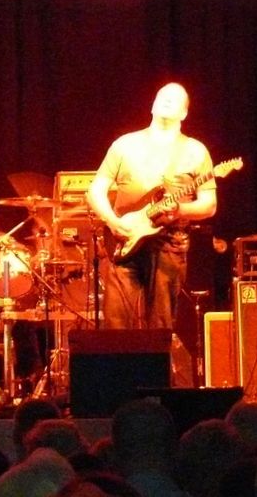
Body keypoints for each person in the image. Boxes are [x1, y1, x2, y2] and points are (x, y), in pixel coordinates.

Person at [87, 82, 217, 329]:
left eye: (175, 98)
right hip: (125, 240)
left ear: (184, 113)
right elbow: (95, 190)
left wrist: (180, 210)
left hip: (169, 242)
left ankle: (156, 356)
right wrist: (112, 222)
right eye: (162, 96)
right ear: (152, 105)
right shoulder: (124, 144)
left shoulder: (195, 150)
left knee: (161, 323)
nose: (167, 100)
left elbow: (209, 205)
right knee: (116, 322)